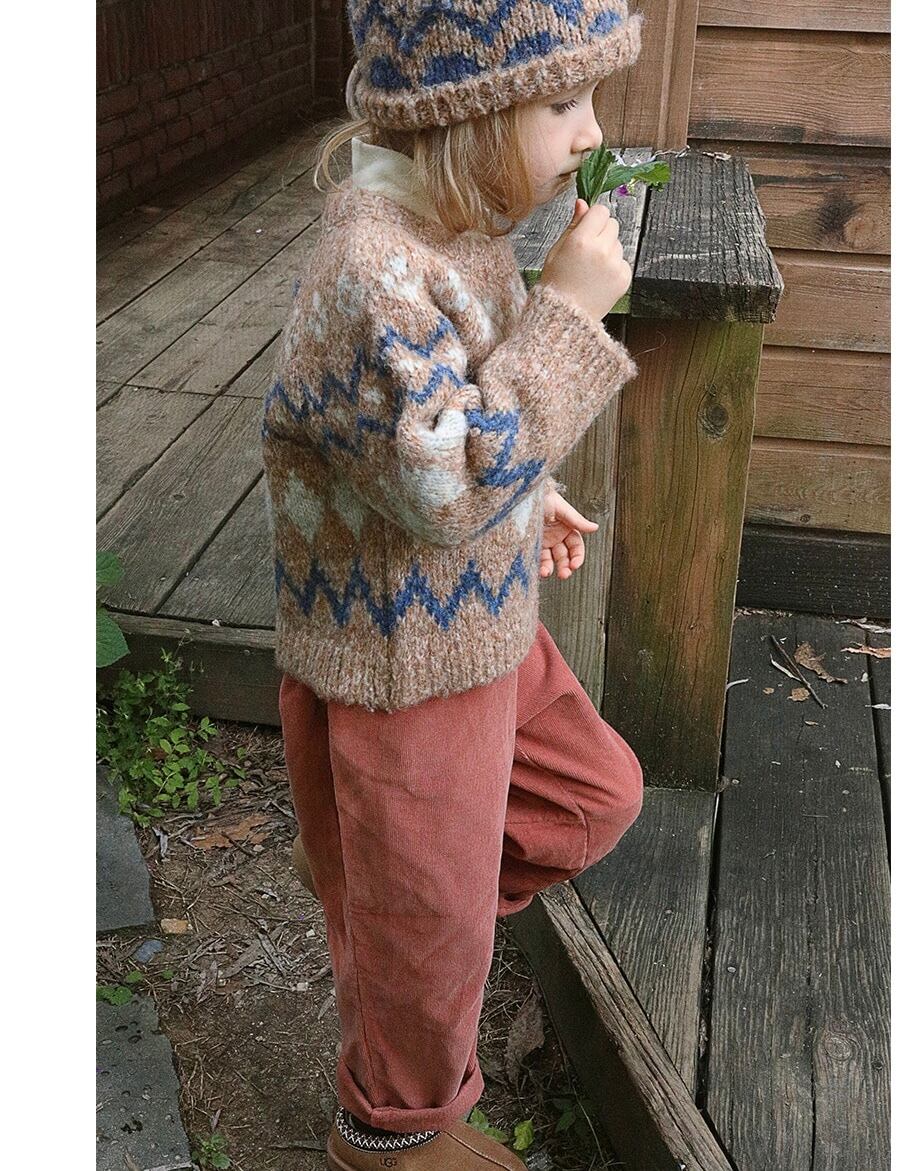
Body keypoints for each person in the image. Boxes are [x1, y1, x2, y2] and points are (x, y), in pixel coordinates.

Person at [261, 3, 647, 1167]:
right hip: (399, 671)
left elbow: (461, 429)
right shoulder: (371, 273)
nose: (591, 132)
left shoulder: (462, 228)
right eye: (561, 101)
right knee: (427, 939)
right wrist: (568, 315)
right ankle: (393, 1132)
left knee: (593, 796)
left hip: (482, 631)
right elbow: (440, 484)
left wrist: (529, 494)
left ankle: (382, 896)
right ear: (458, 114)